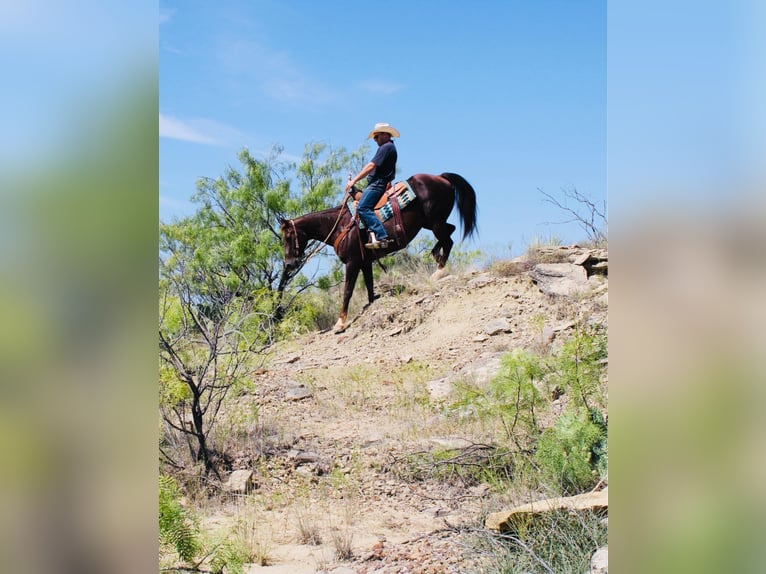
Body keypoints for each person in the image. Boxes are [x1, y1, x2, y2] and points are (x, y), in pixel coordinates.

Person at [344, 122, 400, 249]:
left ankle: (381, 236)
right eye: (374, 137)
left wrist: (354, 181)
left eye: (377, 136)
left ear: (386, 135)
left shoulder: (386, 147)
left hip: (377, 184)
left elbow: (371, 166)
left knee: (362, 208)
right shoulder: (389, 147)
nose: (375, 140)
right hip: (377, 183)